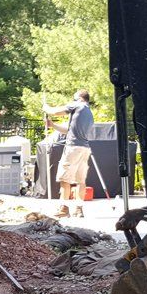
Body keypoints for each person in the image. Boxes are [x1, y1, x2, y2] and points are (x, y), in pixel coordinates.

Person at [44, 90, 95, 218]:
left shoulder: (78, 104)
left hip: (72, 148)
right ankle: (78, 209)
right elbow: (68, 130)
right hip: (84, 149)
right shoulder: (88, 112)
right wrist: (53, 125)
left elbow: (56, 112)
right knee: (80, 180)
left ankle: (64, 209)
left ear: (80, 98)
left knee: (64, 179)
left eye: (74, 98)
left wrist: (46, 108)